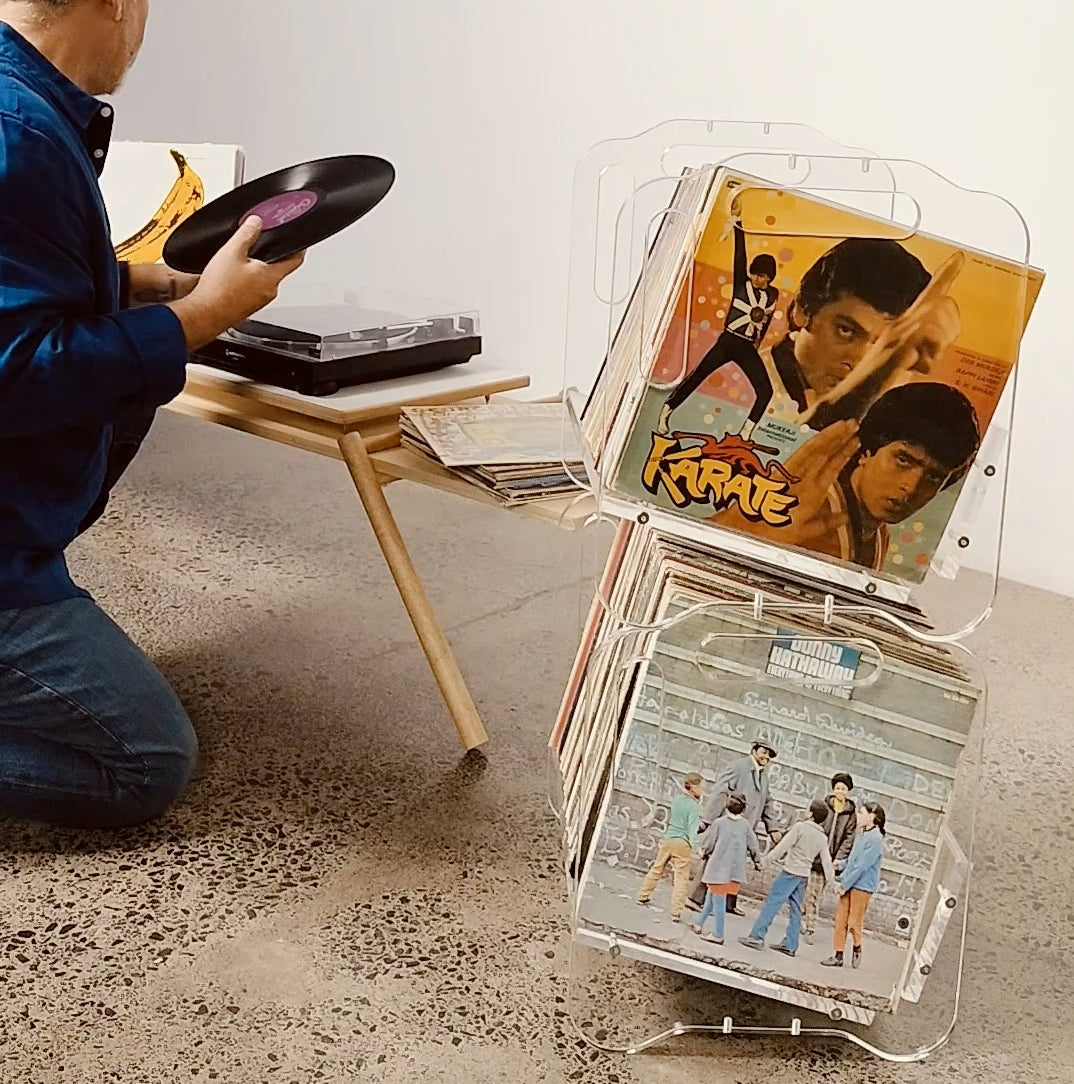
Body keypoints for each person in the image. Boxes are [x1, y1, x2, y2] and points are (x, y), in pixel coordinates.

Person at [0, 0, 305, 830]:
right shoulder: (18, 134)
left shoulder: (18, 111)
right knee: (143, 761)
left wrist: (149, 287)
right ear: (115, 4)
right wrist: (200, 320)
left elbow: (21, 285)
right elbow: (14, 373)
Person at [727, 381, 980, 570]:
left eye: (934, 477)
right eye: (903, 460)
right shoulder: (813, 514)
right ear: (867, 451)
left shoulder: (876, 531)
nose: (911, 487)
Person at [658, 195, 779, 442]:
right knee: (697, 376)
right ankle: (667, 411)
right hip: (727, 342)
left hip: (746, 347)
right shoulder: (741, 286)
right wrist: (738, 220)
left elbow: (764, 320)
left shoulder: (773, 295)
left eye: (764, 277)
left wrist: (758, 342)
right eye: (756, 275)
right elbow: (740, 252)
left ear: (770, 279)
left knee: (765, 390)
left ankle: (746, 433)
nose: (759, 280)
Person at [687, 736, 783, 916]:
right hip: (728, 824)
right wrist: (707, 820)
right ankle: (694, 898)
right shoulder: (738, 767)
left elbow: (767, 802)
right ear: (754, 751)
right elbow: (720, 793)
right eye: (763, 752)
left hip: (744, 827)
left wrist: (773, 829)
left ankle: (729, 904)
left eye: (769, 755)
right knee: (713, 861)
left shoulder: (763, 776)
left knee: (735, 864)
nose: (766, 757)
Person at [739, 797, 836, 958]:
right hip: (804, 876)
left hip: (790, 872)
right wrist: (832, 882)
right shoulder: (822, 837)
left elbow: (782, 847)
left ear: (811, 814)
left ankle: (757, 936)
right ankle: (791, 944)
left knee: (772, 903)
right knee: (796, 910)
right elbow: (827, 862)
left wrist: (765, 861)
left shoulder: (800, 828)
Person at [689, 791, 761, 945]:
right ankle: (698, 924)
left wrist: (703, 852)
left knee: (718, 902)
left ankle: (718, 934)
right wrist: (757, 861)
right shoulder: (746, 825)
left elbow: (709, 844)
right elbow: (753, 845)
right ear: (743, 809)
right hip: (734, 872)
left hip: (718, 868)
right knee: (711, 895)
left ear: (727, 806)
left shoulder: (719, 823)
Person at [822, 801, 887, 970]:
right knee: (840, 920)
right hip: (850, 882)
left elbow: (862, 866)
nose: (858, 816)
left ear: (872, 817)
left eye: (862, 813)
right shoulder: (862, 834)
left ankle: (857, 946)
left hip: (862, 886)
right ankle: (838, 954)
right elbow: (853, 860)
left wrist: (844, 884)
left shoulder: (875, 839)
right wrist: (841, 864)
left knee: (853, 921)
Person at [636, 772, 703, 922]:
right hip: (682, 843)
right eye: (701, 787)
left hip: (668, 838)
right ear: (694, 788)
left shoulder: (677, 800)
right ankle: (676, 911)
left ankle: (642, 895)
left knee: (657, 868)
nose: (703, 791)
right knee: (681, 878)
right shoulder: (693, 807)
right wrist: (697, 847)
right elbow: (692, 829)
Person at [801, 773, 857, 946]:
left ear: (848, 791)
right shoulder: (824, 806)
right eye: (838, 788)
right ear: (833, 789)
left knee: (814, 894)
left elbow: (849, 839)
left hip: (831, 862)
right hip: (815, 857)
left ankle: (807, 923)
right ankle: (807, 923)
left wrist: (838, 859)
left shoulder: (850, 814)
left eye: (844, 788)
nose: (840, 791)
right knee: (810, 893)